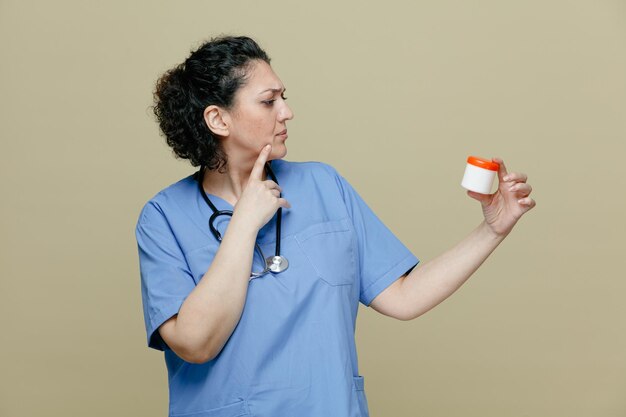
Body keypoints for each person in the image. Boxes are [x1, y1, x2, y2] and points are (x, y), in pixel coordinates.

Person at [135, 35, 535, 417]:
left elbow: (403, 296)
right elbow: (194, 343)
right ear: (218, 119)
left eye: (283, 98)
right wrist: (244, 223)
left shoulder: (324, 186)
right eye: (268, 101)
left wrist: (492, 230)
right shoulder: (163, 218)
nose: (286, 111)